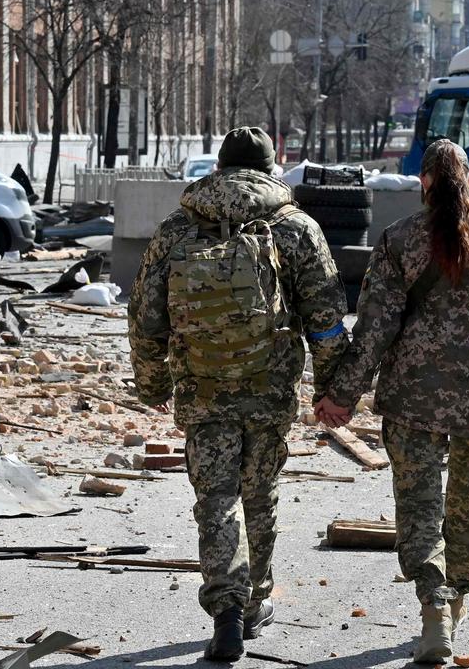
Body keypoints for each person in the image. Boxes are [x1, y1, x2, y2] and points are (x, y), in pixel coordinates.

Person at [315, 139, 469, 664]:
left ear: (423, 183)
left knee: (419, 511)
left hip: (411, 400)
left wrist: (341, 396)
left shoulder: (398, 242)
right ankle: (457, 599)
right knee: (468, 511)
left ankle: (433, 607)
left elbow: (374, 329)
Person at [129, 127, 349, 662]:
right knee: (259, 492)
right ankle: (253, 602)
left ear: (221, 168)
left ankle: (225, 611)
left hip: (202, 386)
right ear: (271, 168)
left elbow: (144, 317)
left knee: (216, 499)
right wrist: (332, 390)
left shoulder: (178, 227)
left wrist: (153, 382)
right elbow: (325, 320)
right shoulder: (294, 227)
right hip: (269, 385)